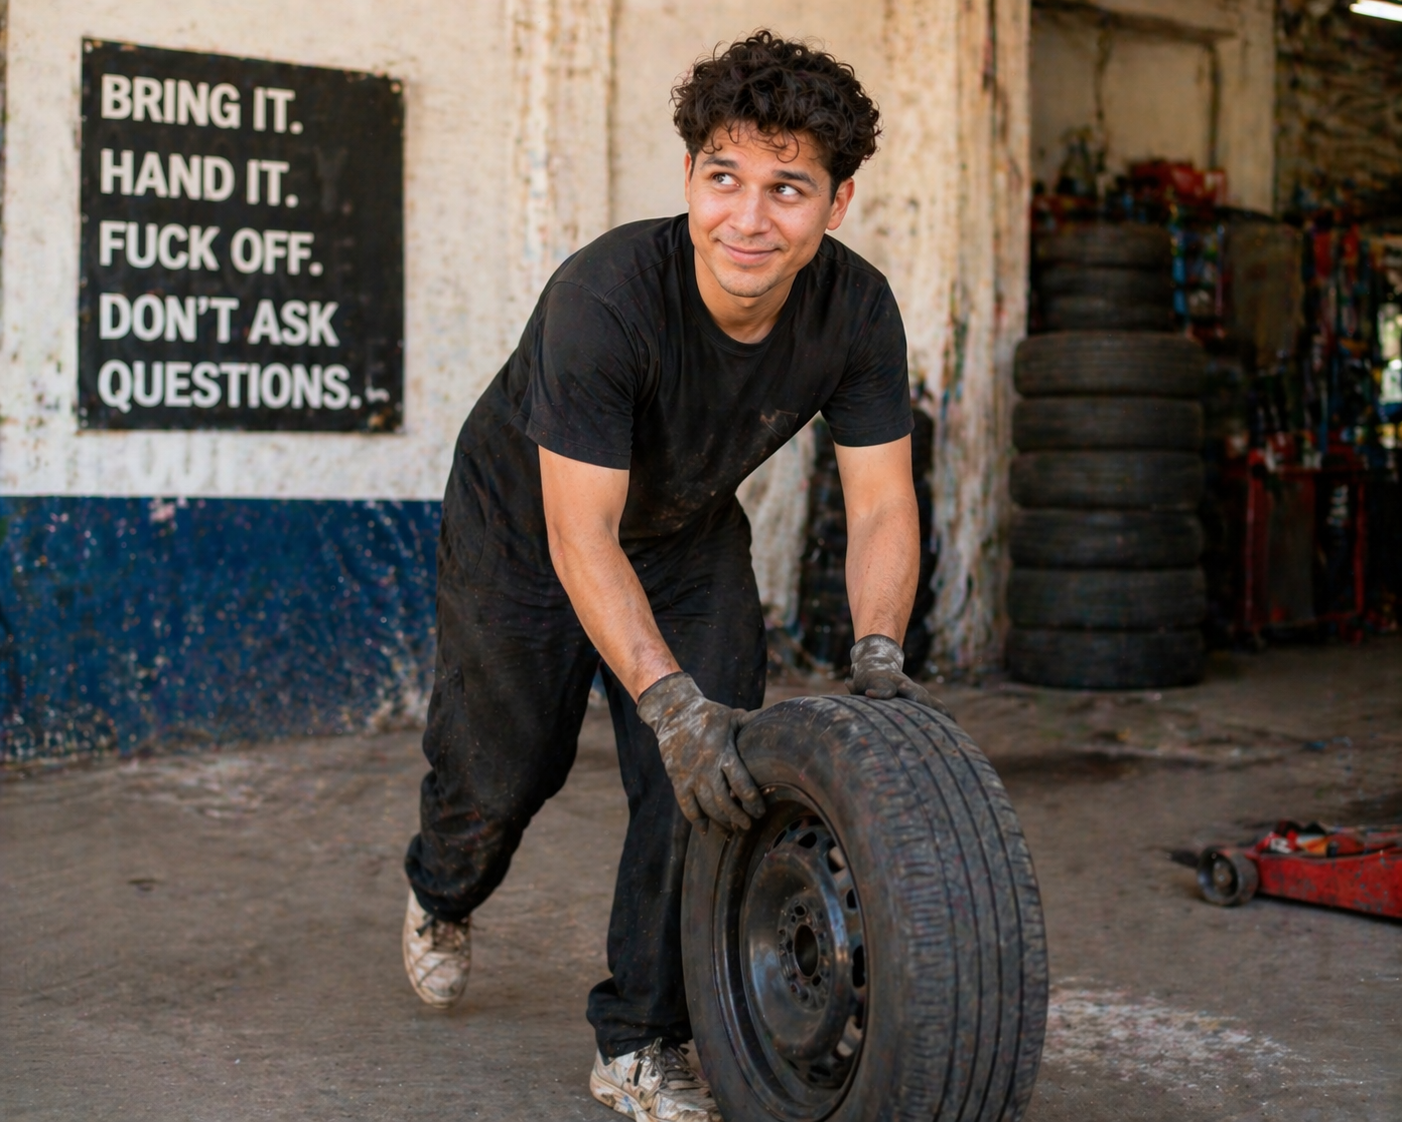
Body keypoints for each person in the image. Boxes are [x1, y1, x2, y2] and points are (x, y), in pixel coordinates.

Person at [401, 30, 944, 1122]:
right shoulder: (604, 299)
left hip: (686, 530)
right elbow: (580, 538)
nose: (748, 218)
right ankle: (440, 891)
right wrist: (664, 701)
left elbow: (882, 501)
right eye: (723, 177)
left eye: (787, 188)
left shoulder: (856, 311)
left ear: (835, 204)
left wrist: (879, 655)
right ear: (690, 178)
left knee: (707, 779)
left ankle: (640, 1041)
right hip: (531, 525)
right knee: (502, 771)